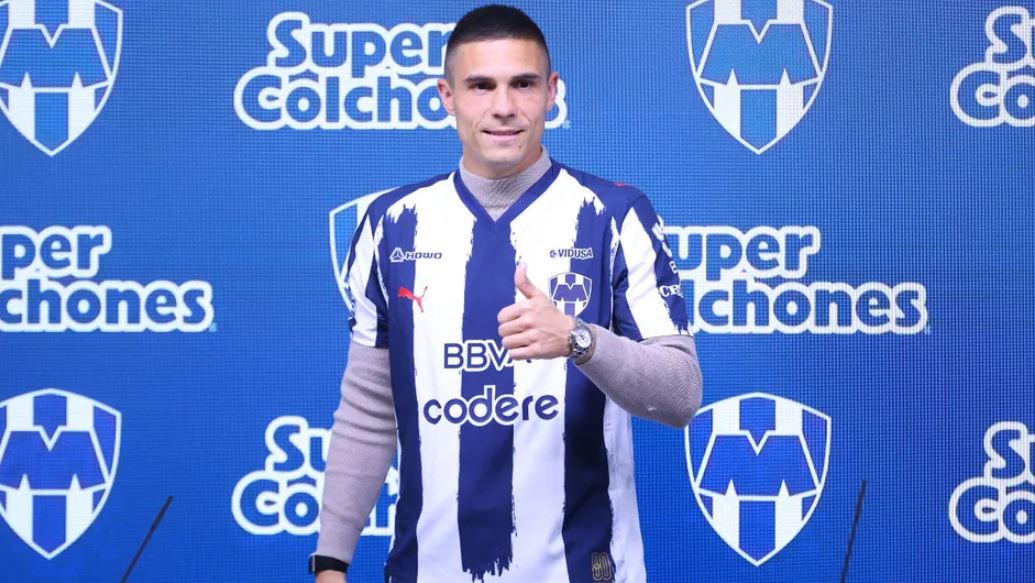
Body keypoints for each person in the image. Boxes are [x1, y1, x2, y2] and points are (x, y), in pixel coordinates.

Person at [310, 5, 702, 582]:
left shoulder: (614, 215)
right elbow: (369, 409)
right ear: (447, 96)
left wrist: (579, 340)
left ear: (552, 92)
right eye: (481, 86)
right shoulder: (391, 223)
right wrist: (330, 561)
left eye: (523, 84)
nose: (503, 106)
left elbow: (681, 394)